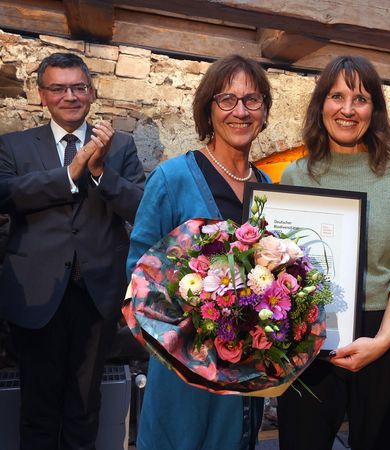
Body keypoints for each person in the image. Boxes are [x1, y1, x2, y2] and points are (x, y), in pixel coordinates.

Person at [276, 56, 390, 450]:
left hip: (383, 332)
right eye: (336, 96)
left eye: (359, 98)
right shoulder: (296, 175)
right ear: (320, 105)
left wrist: (381, 341)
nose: (347, 109)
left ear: (373, 109)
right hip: (310, 331)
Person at [0, 52, 145, 449]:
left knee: (85, 406)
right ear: (42, 95)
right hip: (37, 294)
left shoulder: (120, 147)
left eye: (79, 87)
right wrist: (70, 172)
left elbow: (138, 207)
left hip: (96, 296)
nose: (70, 96)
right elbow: (7, 195)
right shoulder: (13, 146)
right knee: (38, 408)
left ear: (92, 93)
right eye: (59, 88)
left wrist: (99, 171)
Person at [127, 54, 272, 450]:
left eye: (252, 100)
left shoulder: (267, 185)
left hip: (243, 376)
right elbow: (137, 272)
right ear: (208, 109)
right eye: (227, 99)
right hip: (184, 378)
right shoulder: (172, 178)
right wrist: (191, 331)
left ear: (264, 111)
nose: (240, 111)